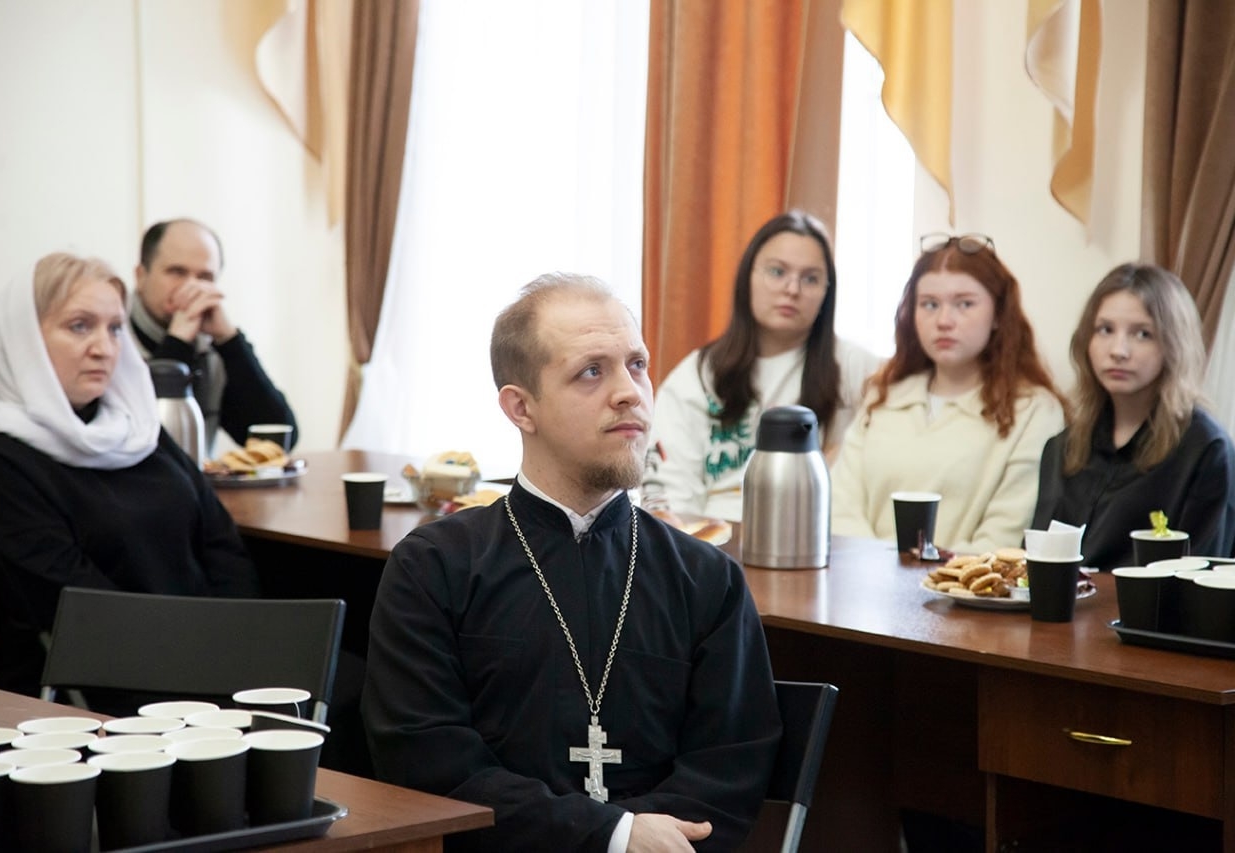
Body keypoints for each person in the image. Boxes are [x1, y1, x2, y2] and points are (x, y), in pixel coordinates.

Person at [361, 273, 781, 852]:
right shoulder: (433, 568)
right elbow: (426, 763)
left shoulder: (708, 579)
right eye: (592, 371)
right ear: (521, 408)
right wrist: (611, 835)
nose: (630, 392)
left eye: (637, 364)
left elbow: (730, 769)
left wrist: (636, 840)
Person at [0, 253, 259, 695]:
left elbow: (222, 545)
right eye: (80, 326)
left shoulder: (137, 431)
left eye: (115, 328)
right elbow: (80, 608)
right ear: (24, 340)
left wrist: (242, 639)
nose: (104, 347)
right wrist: (207, 655)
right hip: (110, 688)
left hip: (214, 660)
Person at [830, 234, 1067, 554]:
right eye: (929, 304)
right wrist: (877, 567)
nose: (944, 321)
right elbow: (841, 508)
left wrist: (931, 573)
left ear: (998, 314)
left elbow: (1004, 535)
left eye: (964, 304)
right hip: (862, 575)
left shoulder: (1032, 409)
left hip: (966, 582)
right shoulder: (882, 396)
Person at [642, 210, 880, 522]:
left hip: (817, 531)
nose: (792, 289)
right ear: (747, 278)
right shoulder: (698, 376)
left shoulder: (855, 367)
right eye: (777, 272)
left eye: (811, 278)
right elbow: (669, 498)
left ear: (827, 292)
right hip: (715, 538)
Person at [1031, 263, 1235, 568]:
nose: (1119, 350)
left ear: (1174, 345)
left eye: (1143, 334)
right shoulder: (1062, 447)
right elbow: (1035, 566)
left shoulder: (1206, 450)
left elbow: (1202, 577)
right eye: (1105, 329)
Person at [131, 219, 297, 456]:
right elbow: (143, 443)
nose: (192, 287)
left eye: (205, 277)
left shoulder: (211, 345)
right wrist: (177, 342)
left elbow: (277, 439)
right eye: (177, 272)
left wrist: (229, 341)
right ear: (140, 276)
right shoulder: (110, 335)